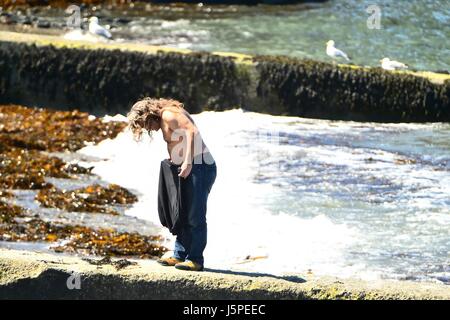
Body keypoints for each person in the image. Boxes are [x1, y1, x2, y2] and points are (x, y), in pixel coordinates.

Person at [127, 97, 217, 271]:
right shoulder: (164, 119)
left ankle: (196, 259)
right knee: (181, 213)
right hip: (188, 167)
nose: (147, 129)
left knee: (195, 215)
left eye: (145, 125)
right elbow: (178, 140)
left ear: (148, 115)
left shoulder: (168, 114)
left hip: (200, 167)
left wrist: (188, 162)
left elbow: (192, 132)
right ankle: (179, 255)